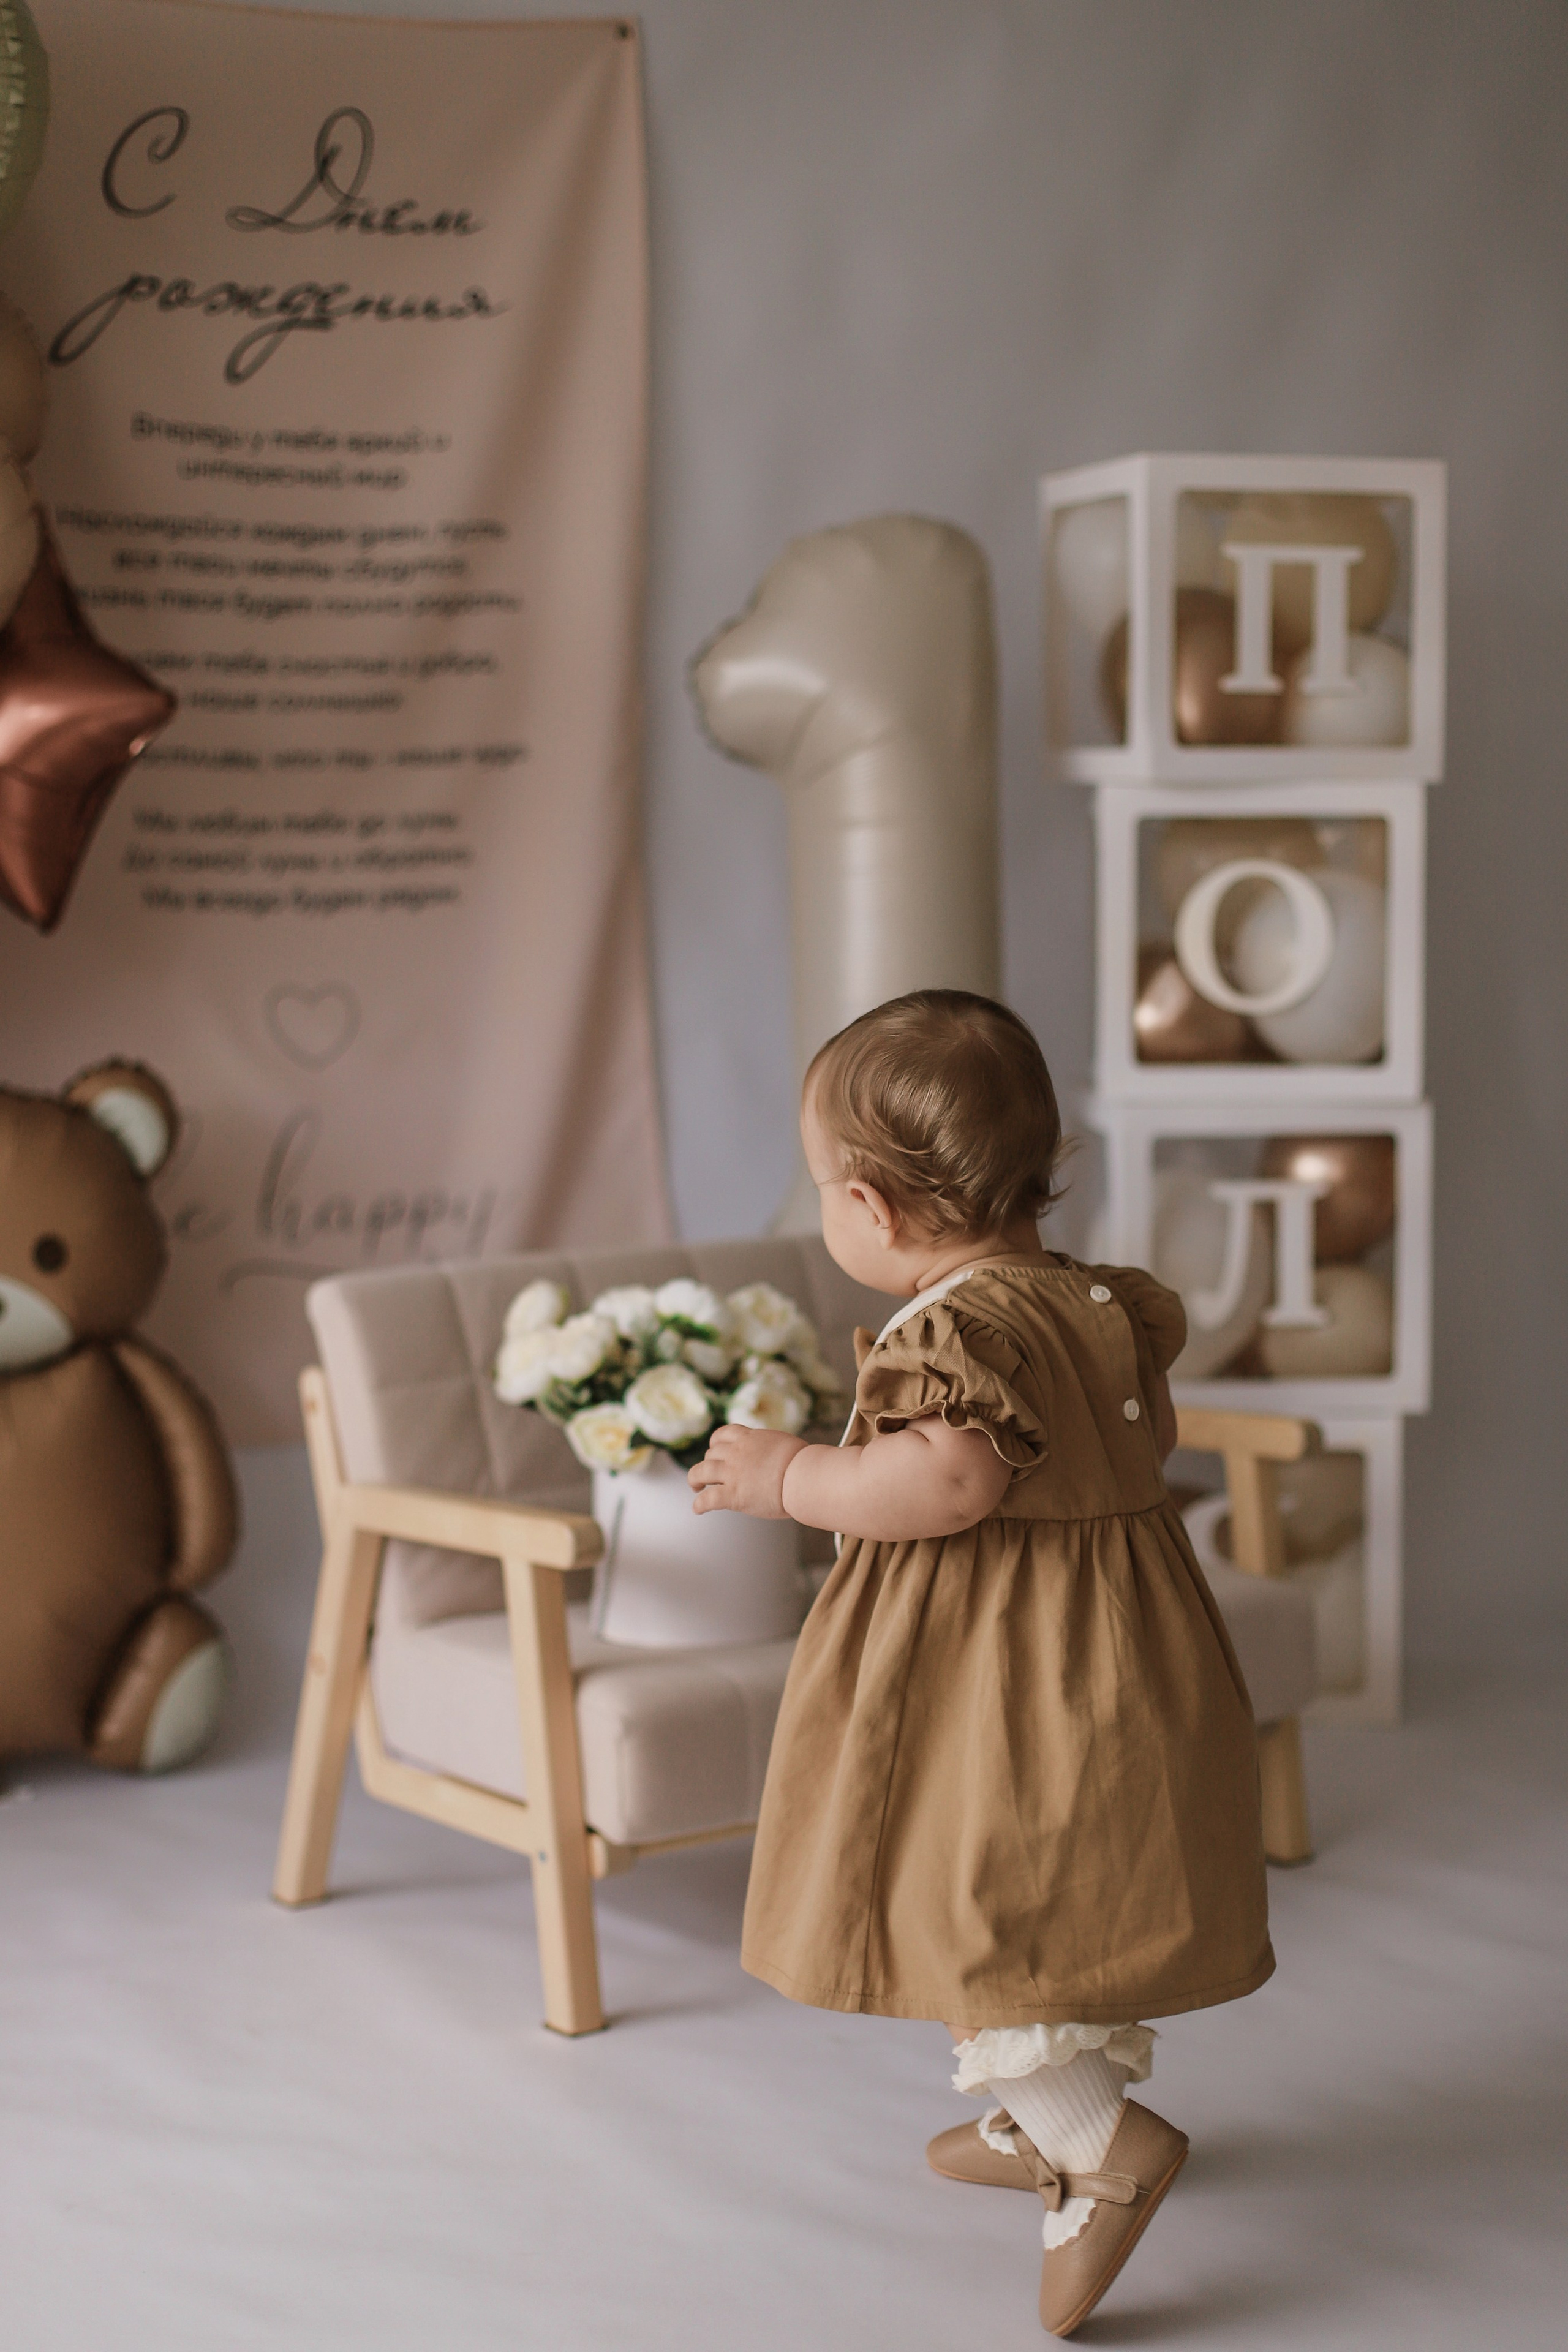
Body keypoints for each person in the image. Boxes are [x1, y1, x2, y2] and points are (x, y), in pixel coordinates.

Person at [688, 989, 1273, 2339]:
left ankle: (1101, 2150)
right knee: (1043, 1898)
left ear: (872, 1210)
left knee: (972, 1894)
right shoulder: (1096, 1301)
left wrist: (791, 1477)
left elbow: (950, 1483)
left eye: (824, 1189)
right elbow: (1136, 1444)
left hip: (1002, 1673)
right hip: (1117, 1641)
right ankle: (1034, 2118)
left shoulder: (955, 1330)